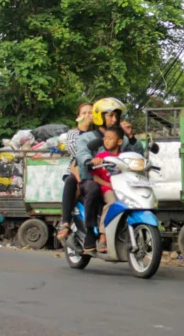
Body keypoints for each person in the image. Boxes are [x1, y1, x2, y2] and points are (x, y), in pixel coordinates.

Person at [76, 98, 143, 252]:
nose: (114, 119)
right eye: (110, 115)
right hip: (93, 178)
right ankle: (94, 235)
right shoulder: (87, 137)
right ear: (100, 116)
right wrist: (89, 160)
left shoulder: (122, 139)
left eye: (116, 116)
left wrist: (130, 136)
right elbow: (82, 151)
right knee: (93, 190)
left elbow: (138, 153)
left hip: (118, 181)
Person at [56, 103, 94, 242]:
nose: (87, 115)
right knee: (70, 181)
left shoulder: (97, 133)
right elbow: (75, 151)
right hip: (76, 168)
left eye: (90, 112)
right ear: (78, 117)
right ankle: (65, 222)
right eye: (84, 113)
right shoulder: (73, 133)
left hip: (96, 170)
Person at [91, 126, 124, 253]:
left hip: (123, 188)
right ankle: (103, 236)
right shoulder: (101, 156)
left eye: (110, 138)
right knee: (112, 203)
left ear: (120, 141)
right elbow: (95, 177)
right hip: (107, 188)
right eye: (105, 138)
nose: (106, 141)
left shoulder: (124, 157)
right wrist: (108, 184)